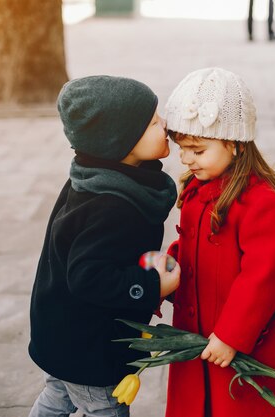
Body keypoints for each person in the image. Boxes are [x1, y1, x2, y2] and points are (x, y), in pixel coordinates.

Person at [163, 67, 275, 417]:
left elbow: (264, 275)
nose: (185, 158)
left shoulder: (259, 202)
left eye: (197, 149)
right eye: (182, 148)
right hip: (201, 331)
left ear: (235, 144)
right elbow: (193, 247)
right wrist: (169, 269)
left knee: (245, 406)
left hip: (255, 338)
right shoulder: (197, 189)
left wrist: (232, 335)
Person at [28, 75, 181, 417]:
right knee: (105, 407)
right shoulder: (111, 205)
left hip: (61, 336)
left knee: (57, 396)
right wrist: (152, 286)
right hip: (89, 348)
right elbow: (88, 276)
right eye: (154, 122)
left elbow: (99, 253)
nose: (165, 125)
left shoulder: (92, 178)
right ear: (120, 141)